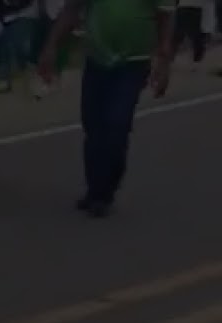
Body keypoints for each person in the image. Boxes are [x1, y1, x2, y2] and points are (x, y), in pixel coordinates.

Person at [39, 0, 172, 217]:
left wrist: (163, 62)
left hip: (133, 62)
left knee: (117, 123)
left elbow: (165, 18)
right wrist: (51, 46)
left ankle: (105, 190)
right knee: (93, 124)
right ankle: (95, 189)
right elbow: (72, 9)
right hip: (97, 58)